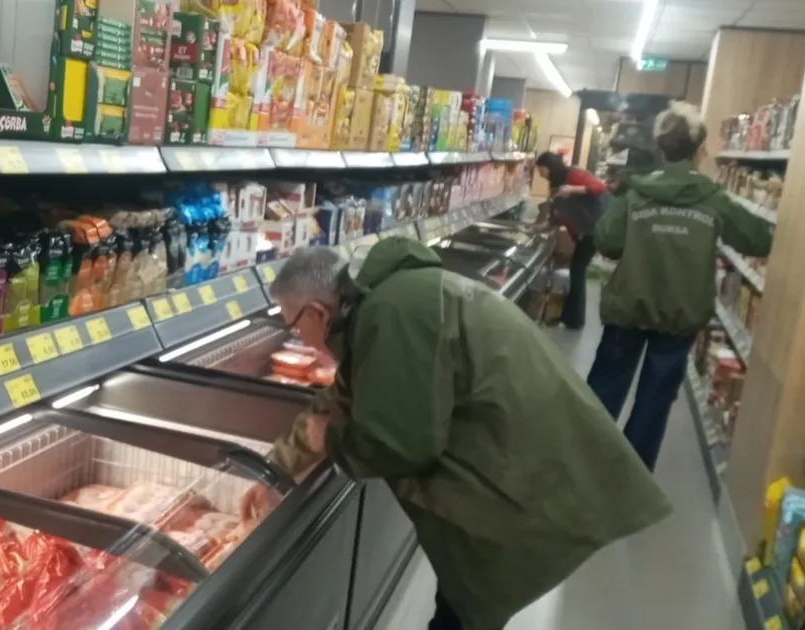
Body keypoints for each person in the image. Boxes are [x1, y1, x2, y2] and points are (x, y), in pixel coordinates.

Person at [242, 240, 672, 630]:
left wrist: (331, 440)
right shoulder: (386, 300)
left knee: (464, 612)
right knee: (459, 605)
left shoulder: (391, 315)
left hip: (525, 479)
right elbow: (346, 392)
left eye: (293, 325)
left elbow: (401, 444)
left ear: (317, 313)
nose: (298, 337)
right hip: (518, 461)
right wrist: (275, 468)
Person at [589, 101, 773, 470]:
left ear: (660, 146)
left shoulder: (636, 193)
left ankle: (584, 463)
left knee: (605, 388)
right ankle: (633, 479)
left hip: (628, 306)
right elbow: (758, 241)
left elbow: (606, 241)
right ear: (700, 148)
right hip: (681, 314)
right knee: (655, 399)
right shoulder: (713, 199)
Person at [535, 151, 610, 329]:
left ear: (548, 167)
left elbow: (600, 187)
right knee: (577, 271)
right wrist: (540, 226)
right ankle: (570, 317)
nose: (540, 173)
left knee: (577, 271)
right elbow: (558, 214)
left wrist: (574, 189)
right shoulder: (556, 185)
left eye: (540, 169)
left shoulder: (574, 174)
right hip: (583, 233)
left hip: (594, 230)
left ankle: (574, 319)